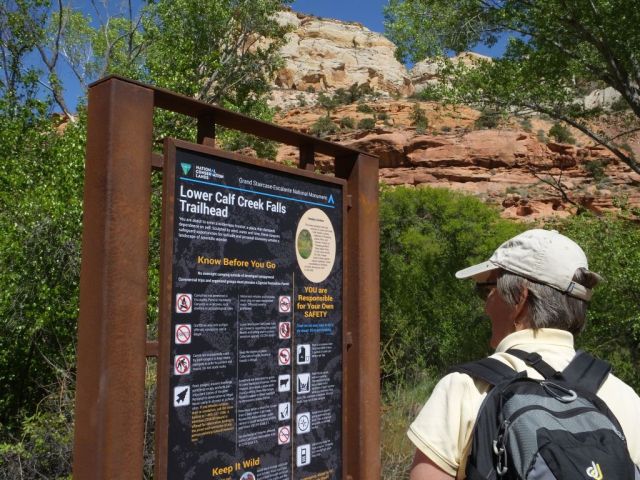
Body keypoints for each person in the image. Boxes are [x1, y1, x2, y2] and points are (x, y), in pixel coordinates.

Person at [407, 229, 640, 480]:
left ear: (519, 299)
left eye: (487, 291)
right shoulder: (624, 397)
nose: (485, 307)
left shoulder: (466, 388)